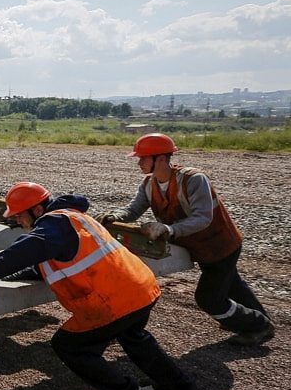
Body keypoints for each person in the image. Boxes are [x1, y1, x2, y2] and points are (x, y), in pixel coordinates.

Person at [0, 182, 199, 390]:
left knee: (70, 346)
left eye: (19, 215)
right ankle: (185, 389)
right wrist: (12, 276)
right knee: (134, 337)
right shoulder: (71, 218)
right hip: (141, 289)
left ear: (37, 210)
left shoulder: (53, 225)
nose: (17, 220)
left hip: (115, 301)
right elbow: (47, 262)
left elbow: (28, 248)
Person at [99, 133, 274, 347]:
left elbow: (203, 218)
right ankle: (258, 320)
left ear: (161, 159)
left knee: (209, 298)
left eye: (143, 158)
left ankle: (257, 326)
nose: (139, 163)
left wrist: (169, 229)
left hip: (220, 245)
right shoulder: (149, 184)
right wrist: (115, 216)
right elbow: (134, 208)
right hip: (201, 247)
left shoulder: (193, 179)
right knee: (231, 283)